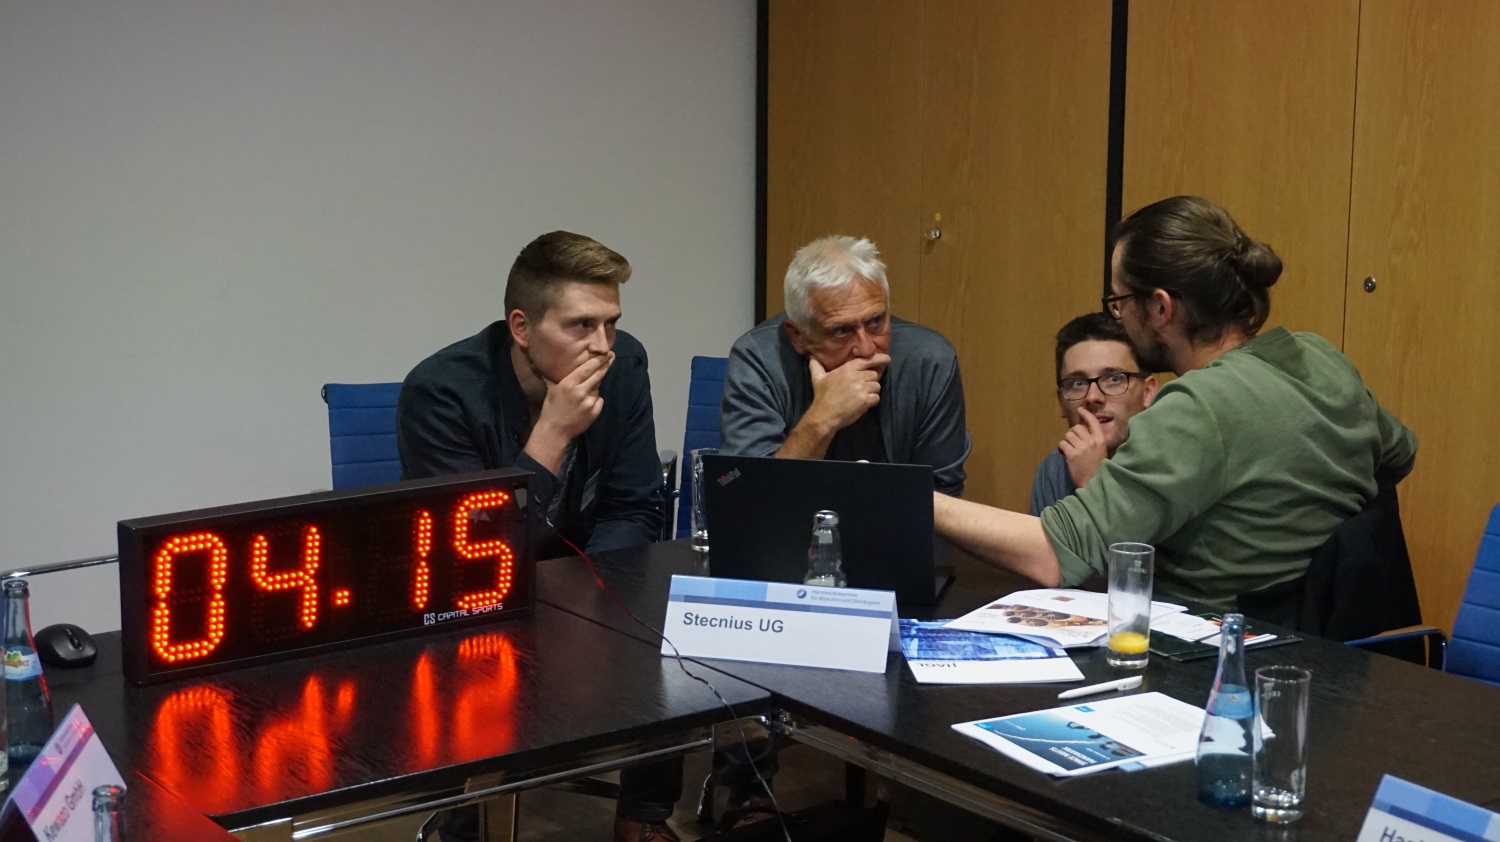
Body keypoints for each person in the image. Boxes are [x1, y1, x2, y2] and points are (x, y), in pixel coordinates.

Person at [935, 196, 1417, 612]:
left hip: (1201, 654)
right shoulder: (1319, 357)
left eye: (1120, 301)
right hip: (1321, 651)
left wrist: (919, 501)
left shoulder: (1197, 408)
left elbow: (1054, 553)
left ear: (1161, 308)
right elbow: (1399, 453)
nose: (1120, 317)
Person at [397, 230, 678, 842]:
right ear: (522, 328)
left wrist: (595, 598)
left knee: (662, 623)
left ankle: (645, 815)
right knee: (474, 653)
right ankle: (468, 823)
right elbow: (470, 554)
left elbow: (634, 503)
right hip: (472, 588)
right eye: (580, 326)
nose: (602, 346)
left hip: (585, 566)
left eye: (610, 323)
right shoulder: (440, 392)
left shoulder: (625, 365)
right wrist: (551, 434)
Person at [721, 235, 970, 495]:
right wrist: (822, 420)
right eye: (841, 331)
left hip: (895, 522)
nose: (866, 348)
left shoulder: (930, 361)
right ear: (798, 336)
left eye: (876, 321)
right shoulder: (757, 359)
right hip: (790, 522)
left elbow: (943, 494)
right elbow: (736, 490)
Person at [1030, 313, 1158, 514]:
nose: (1092, 397)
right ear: (1061, 402)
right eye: (1077, 383)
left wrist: (1093, 483)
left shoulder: (1173, 466)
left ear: (1148, 392)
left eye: (1114, 379)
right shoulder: (1055, 469)